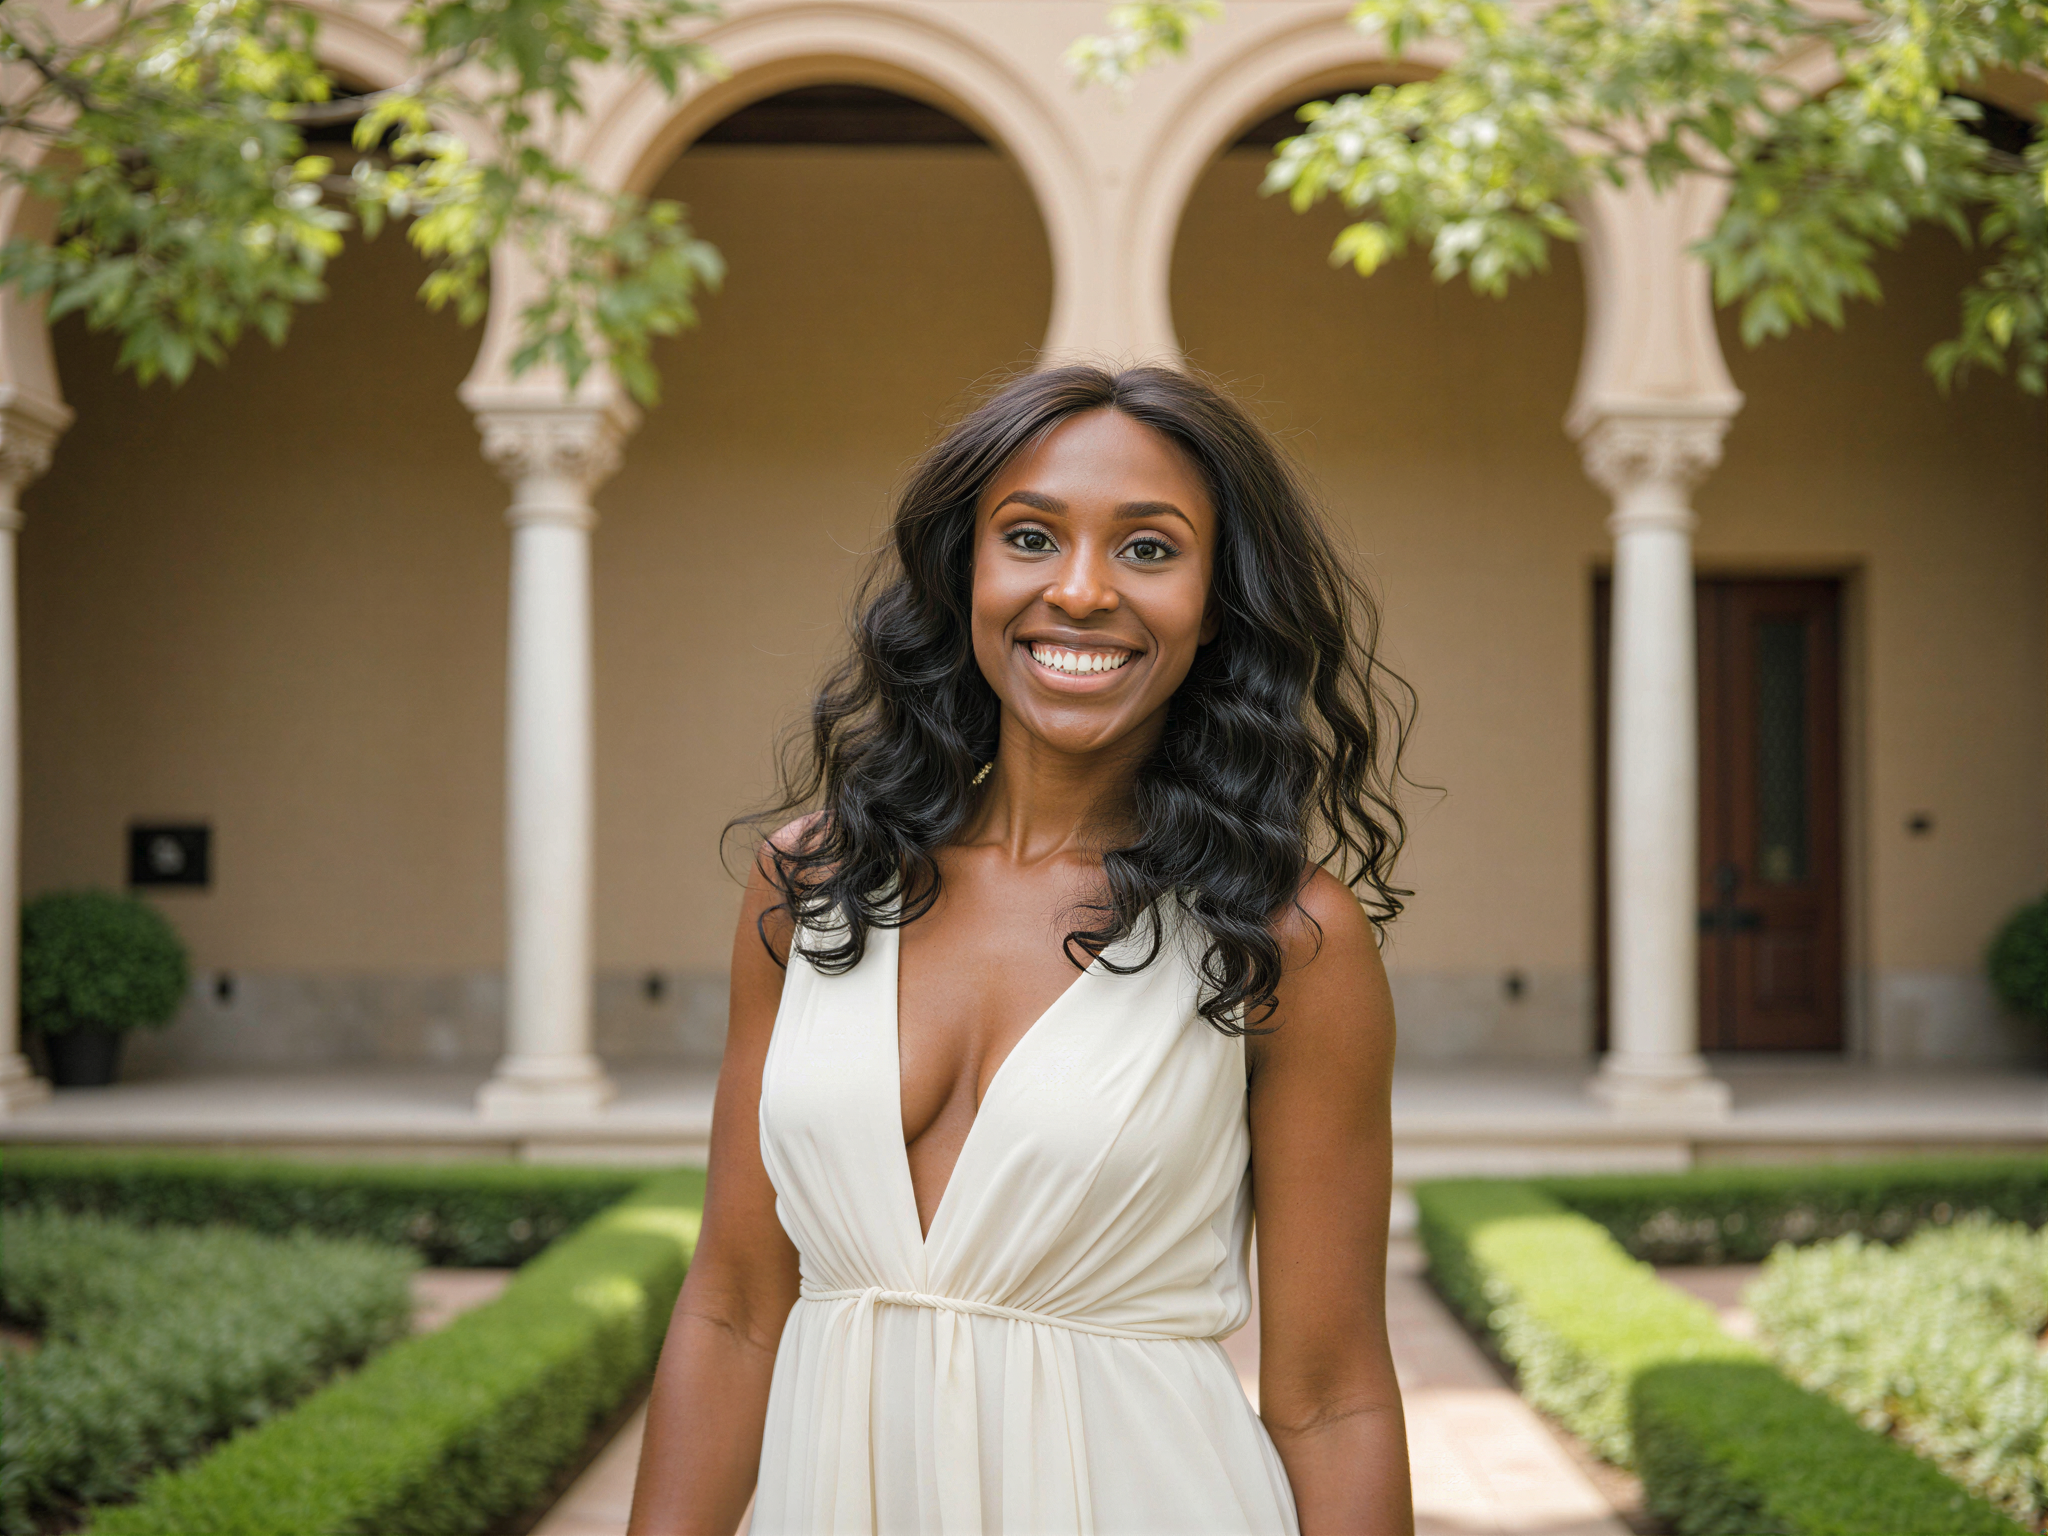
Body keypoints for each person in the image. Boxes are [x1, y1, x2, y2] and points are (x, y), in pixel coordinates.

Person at [626, 364, 1415, 1536]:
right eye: (1030, 536)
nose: (1082, 591)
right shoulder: (813, 886)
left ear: (1218, 601)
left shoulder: (1283, 937)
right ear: (965, 575)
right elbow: (735, 1310)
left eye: (1149, 549)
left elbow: (1330, 1396)